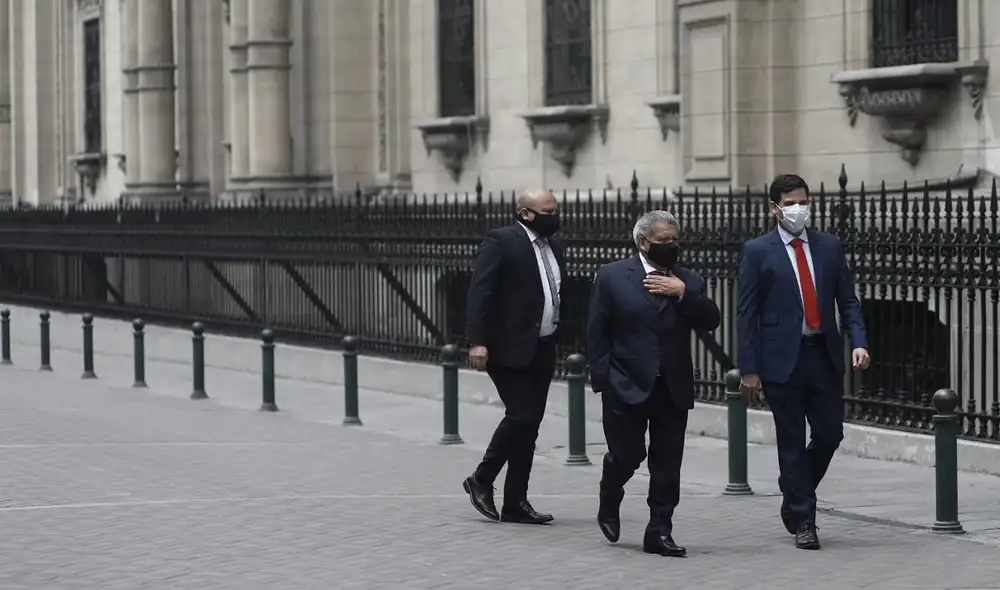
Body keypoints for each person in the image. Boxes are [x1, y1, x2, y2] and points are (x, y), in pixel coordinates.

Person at [736, 173, 870, 551]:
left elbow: (848, 301)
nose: (799, 209)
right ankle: (804, 521)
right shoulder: (758, 250)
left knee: (830, 434)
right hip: (781, 360)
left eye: (804, 202)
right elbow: (746, 313)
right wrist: (749, 368)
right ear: (775, 207)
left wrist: (858, 342)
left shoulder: (828, 246)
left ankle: (793, 486)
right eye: (791, 203)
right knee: (791, 440)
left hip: (822, 354)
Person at [586, 210, 720, 557]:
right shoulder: (613, 276)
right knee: (627, 455)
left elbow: (710, 320)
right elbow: (597, 333)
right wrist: (603, 380)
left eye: (675, 240)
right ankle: (610, 493)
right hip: (625, 383)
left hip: (671, 386)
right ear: (643, 242)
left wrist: (682, 293)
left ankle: (659, 530)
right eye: (664, 241)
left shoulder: (686, 278)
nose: (672, 246)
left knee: (667, 463)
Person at [461, 189, 564, 525]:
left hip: (543, 345)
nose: (555, 215)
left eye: (556, 209)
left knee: (529, 425)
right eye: (548, 210)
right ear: (525, 213)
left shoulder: (553, 246)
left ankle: (515, 501)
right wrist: (477, 342)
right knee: (521, 415)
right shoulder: (502, 241)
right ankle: (481, 478)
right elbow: (481, 292)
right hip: (507, 347)